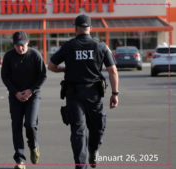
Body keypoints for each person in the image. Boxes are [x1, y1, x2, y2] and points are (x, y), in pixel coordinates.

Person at [48, 14, 119, 169]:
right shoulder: (101, 46)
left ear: (75, 28)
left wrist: (66, 68)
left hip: (74, 94)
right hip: (94, 94)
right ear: (90, 29)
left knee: (78, 132)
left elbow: (51, 66)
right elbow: (112, 71)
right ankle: (93, 151)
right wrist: (115, 94)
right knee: (97, 127)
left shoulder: (68, 46)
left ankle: (82, 165)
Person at [1, 31, 47, 169]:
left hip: (33, 95)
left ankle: (34, 146)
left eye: (22, 45)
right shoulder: (9, 56)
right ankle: (20, 160)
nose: (20, 48)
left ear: (27, 42)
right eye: (16, 45)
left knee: (30, 124)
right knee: (16, 126)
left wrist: (31, 90)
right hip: (15, 96)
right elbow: (5, 76)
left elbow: (43, 75)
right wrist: (15, 93)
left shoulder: (35, 55)